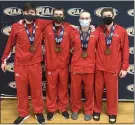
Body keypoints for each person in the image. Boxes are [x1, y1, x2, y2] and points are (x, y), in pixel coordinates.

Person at [1, 2, 51, 124]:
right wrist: (3, 60)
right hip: (20, 64)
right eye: (28, 13)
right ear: (23, 13)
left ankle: (38, 112)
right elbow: (10, 44)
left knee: (36, 90)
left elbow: (55, 21)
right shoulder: (16, 26)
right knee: (21, 91)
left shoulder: (40, 23)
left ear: (36, 13)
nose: (30, 14)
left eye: (32, 12)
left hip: (35, 64)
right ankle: (23, 114)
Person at [93, 7, 129, 124]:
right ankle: (97, 110)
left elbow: (125, 51)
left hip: (113, 68)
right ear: (102, 17)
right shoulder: (98, 30)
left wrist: (124, 67)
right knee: (97, 91)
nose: (107, 18)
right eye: (105, 16)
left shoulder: (121, 31)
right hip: (99, 67)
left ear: (113, 16)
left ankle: (112, 112)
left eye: (109, 15)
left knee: (112, 92)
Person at [43, 7, 76, 120]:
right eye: (56, 14)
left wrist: (91, 28)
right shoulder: (46, 28)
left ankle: (62, 108)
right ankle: (51, 109)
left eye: (60, 14)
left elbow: (78, 37)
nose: (58, 16)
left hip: (64, 64)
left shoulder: (69, 28)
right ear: (53, 16)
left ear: (63, 16)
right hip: (51, 64)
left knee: (63, 88)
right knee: (51, 88)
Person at [69, 11, 99, 121]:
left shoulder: (96, 33)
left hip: (90, 67)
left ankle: (88, 110)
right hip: (76, 66)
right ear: (79, 20)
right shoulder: (73, 32)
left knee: (89, 91)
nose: (84, 20)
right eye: (82, 18)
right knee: (75, 90)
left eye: (87, 18)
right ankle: (75, 109)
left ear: (90, 19)